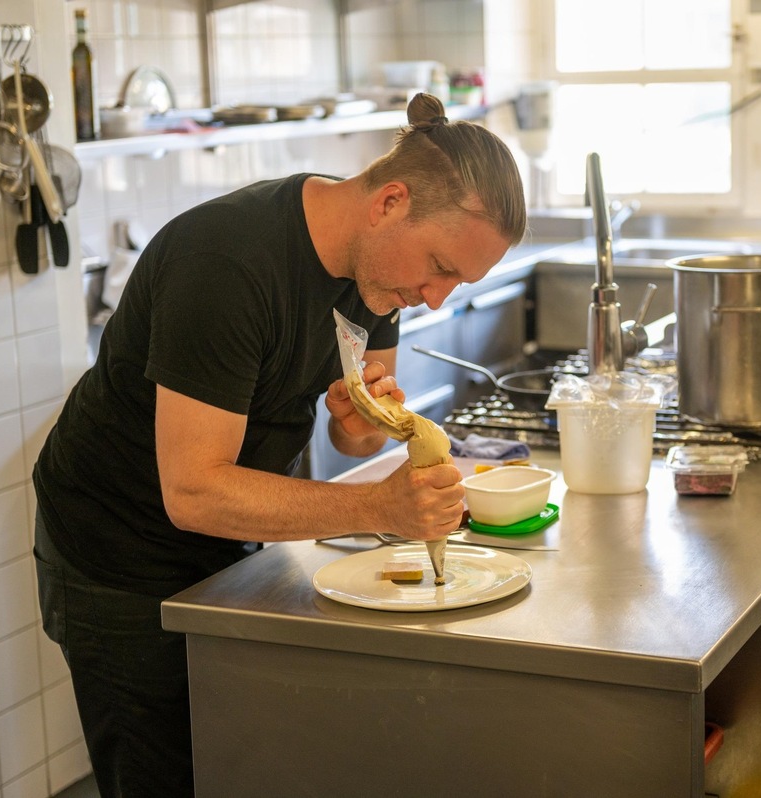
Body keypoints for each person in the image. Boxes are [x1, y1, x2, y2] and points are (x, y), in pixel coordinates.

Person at [32, 92, 526, 797]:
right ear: (390, 202)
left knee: (250, 760)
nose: (437, 297)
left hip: (232, 538)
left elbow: (350, 436)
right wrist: (378, 508)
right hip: (118, 549)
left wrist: (358, 426)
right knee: (162, 774)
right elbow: (194, 490)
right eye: (440, 267)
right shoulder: (227, 263)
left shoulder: (376, 276)